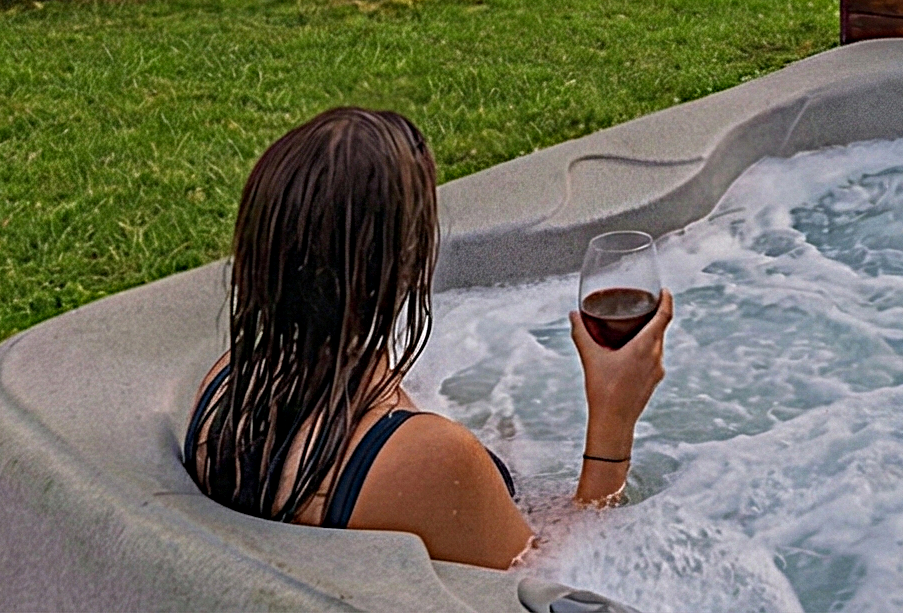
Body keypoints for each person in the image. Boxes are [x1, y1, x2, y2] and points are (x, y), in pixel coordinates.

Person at [183, 108, 672, 568]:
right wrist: (613, 415)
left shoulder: (226, 385)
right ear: (405, 264)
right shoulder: (424, 457)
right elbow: (552, 575)